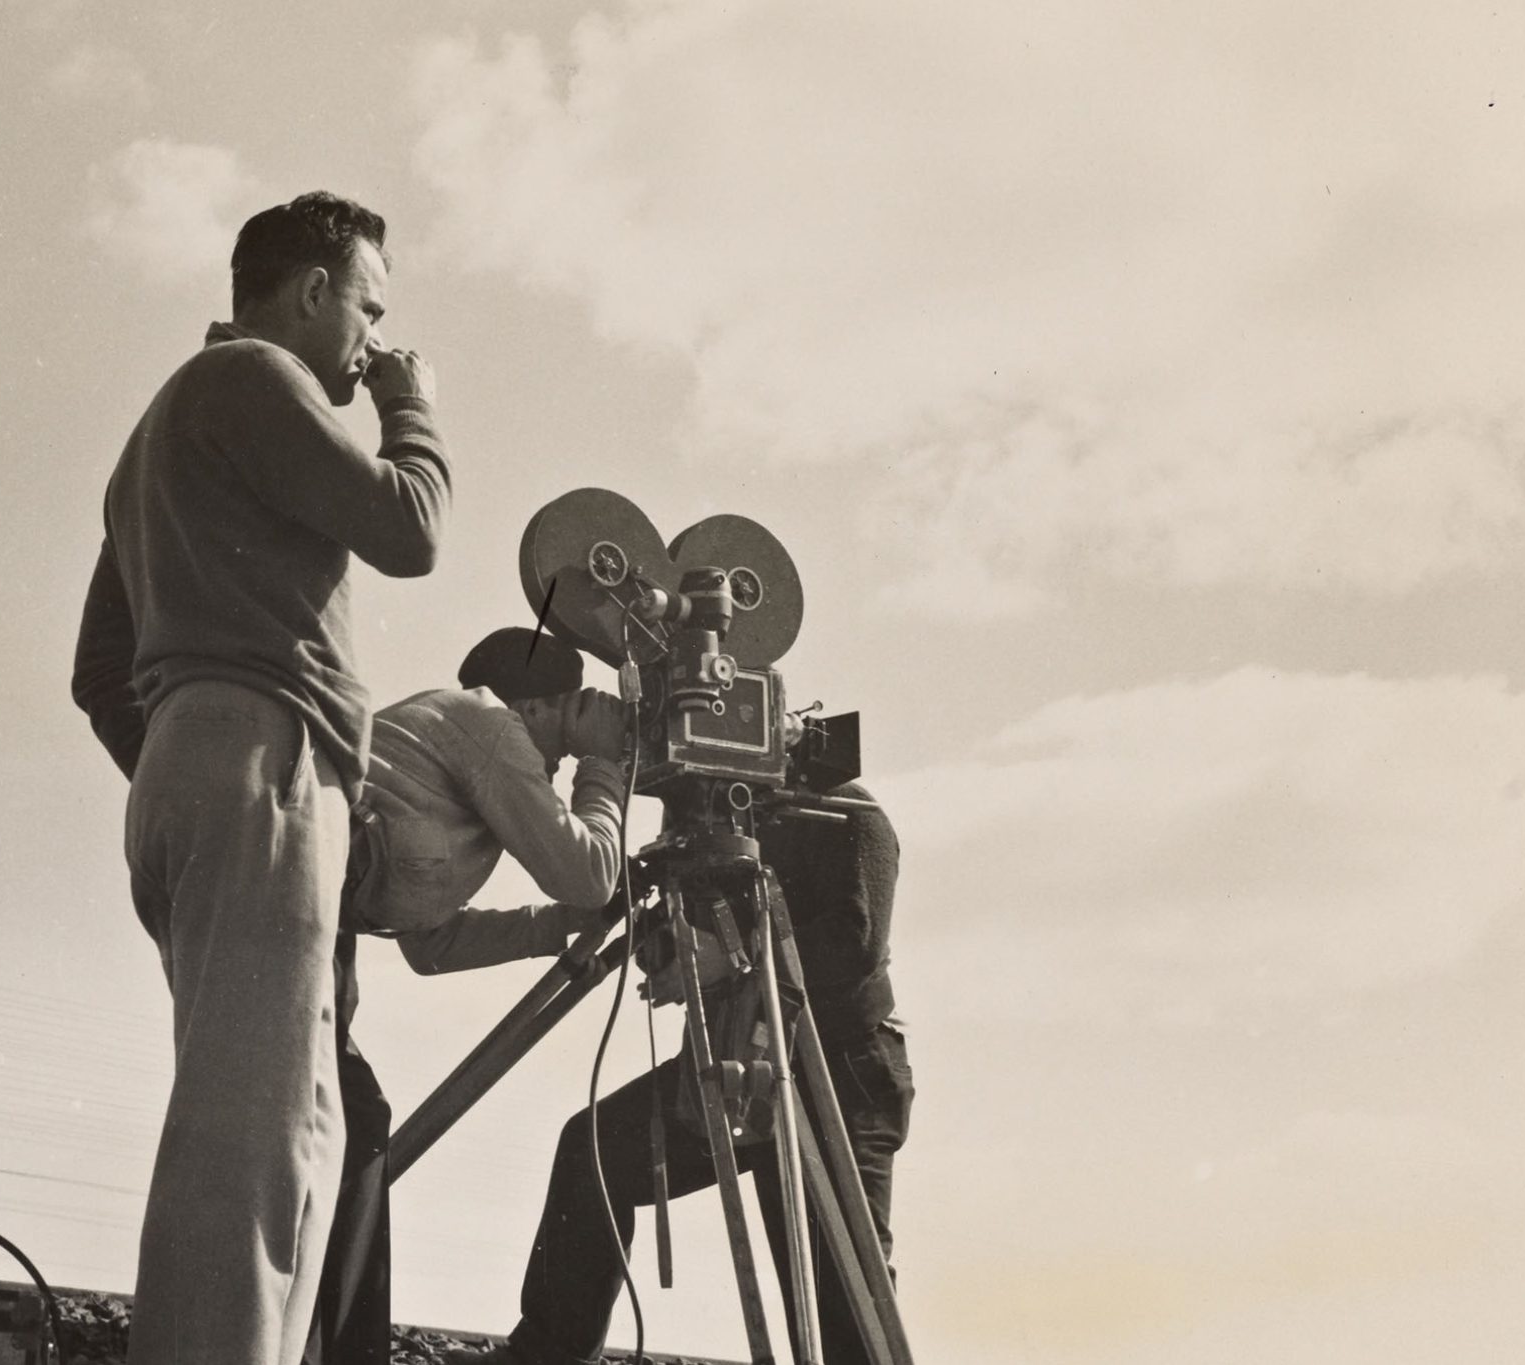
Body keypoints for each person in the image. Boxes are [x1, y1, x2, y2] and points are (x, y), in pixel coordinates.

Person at [70, 190, 451, 1365]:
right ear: (312, 291)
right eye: (368, 310)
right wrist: (410, 404)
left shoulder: (159, 439)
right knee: (257, 1147)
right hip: (260, 756)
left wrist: (194, 761)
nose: (371, 341)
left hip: (204, 760)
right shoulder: (254, 380)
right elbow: (410, 528)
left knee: (287, 1132)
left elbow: (97, 675)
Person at [452, 774, 913, 1365]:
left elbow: (857, 941)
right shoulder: (723, 821)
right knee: (595, 1150)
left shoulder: (848, 812)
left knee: (842, 1288)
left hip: (841, 1071)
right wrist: (672, 946)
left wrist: (731, 959)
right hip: (740, 1059)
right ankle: (548, 1353)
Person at [306, 626, 631, 1365]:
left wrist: (554, 929)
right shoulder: (487, 722)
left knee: (350, 1127)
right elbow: (589, 873)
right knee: (348, 1127)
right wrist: (605, 764)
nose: (553, 768)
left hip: (321, 927)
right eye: (560, 742)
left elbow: (431, 944)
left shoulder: (455, 770)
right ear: (539, 708)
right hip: (296, 910)